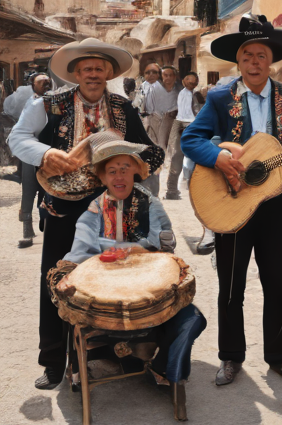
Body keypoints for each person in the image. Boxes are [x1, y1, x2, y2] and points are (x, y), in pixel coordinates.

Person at [181, 13, 282, 389]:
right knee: (231, 285)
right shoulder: (220, 97)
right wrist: (218, 156)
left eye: (262, 55)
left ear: (273, 61)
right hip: (232, 203)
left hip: (271, 205)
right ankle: (231, 357)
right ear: (238, 61)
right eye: (248, 55)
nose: (255, 62)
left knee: (277, 282)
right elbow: (192, 139)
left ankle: (281, 357)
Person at [7, 38, 165, 390]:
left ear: (109, 73)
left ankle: (108, 349)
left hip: (112, 208)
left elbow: (150, 152)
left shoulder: (123, 107)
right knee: (57, 279)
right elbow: (18, 138)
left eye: (99, 69)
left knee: (109, 279)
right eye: (87, 69)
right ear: (76, 73)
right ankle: (53, 361)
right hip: (63, 207)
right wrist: (46, 155)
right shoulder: (48, 103)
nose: (93, 74)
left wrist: (137, 166)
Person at [62, 133, 206, 422]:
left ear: (136, 172)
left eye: (126, 168)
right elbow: (79, 254)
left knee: (192, 318)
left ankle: (165, 368)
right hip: (105, 300)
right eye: (112, 170)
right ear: (102, 177)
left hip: (148, 296)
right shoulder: (93, 211)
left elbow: (166, 242)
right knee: (68, 305)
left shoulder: (150, 204)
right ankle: (78, 366)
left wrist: (140, 251)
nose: (119, 176)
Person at [8, 73, 52, 248]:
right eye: (41, 83)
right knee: (29, 188)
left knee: (51, 188)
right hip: (31, 151)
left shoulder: (56, 99)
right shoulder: (28, 103)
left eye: (48, 82)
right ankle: (27, 228)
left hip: (51, 150)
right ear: (33, 86)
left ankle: (49, 227)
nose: (46, 85)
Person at [165, 72, 205, 200]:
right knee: (180, 157)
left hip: (188, 125)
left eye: (193, 81)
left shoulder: (193, 95)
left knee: (188, 158)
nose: (190, 83)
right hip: (184, 124)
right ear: (183, 81)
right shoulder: (182, 94)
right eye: (188, 80)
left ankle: (190, 190)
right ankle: (173, 190)